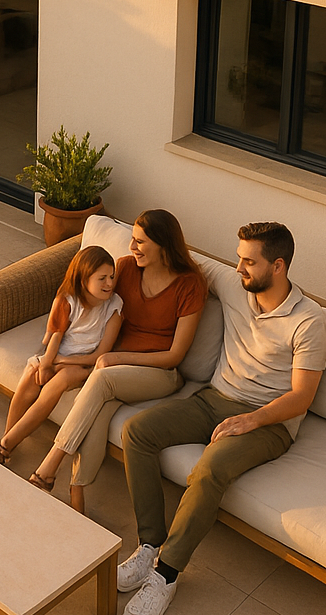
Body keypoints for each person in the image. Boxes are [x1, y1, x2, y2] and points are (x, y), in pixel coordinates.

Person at [116, 221, 326, 615]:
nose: (238, 268)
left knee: (210, 468)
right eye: (238, 258)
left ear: (278, 266)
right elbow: (183, 261)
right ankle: (149, 545)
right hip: (212, 400)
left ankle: (166, 574)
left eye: (249, 262)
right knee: (137, 431)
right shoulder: (235, 286)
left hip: (269, 424)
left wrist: (252, 420)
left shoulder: (309, 322)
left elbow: (302, 397)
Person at [28, 209, 208, 513]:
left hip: (159, 372)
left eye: (140, 242)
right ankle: (77, 493)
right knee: (100, 410)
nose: (131, 247)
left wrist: (113, 357)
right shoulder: (125, 268)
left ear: (163, 244)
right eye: (132, 240)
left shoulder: (191, 285)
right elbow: (78, 291)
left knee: (102, 380)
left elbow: (175, 355)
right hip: (116, 370)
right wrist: (59, 338)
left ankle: (49, 466)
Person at [0, 245, 123, 464]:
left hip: (86, 365)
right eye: (102, 278)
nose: (109, 283)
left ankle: (4, 445)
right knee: (32, 374)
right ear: (83, 280)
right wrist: (47, 363)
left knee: (60, 380)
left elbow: (100, 355)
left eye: (112, 277)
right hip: (60, 356)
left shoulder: (114, 306)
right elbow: (55, 339)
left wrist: (59, 362)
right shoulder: (68, 299)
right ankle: (6, 442)